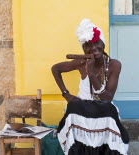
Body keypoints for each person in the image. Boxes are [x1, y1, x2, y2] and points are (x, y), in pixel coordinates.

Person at [51, 18, 129, 155]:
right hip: (81, 108)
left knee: (109, 109)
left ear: (103, 44)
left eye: (96, 42)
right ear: (84, 49)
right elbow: (55, 68)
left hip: (102, 110)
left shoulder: (114, 65)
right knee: (72, 106)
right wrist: (66, 94)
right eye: (88, 45)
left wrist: (91, 73)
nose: (93, 47)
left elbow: (107, 98)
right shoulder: (80, 62)